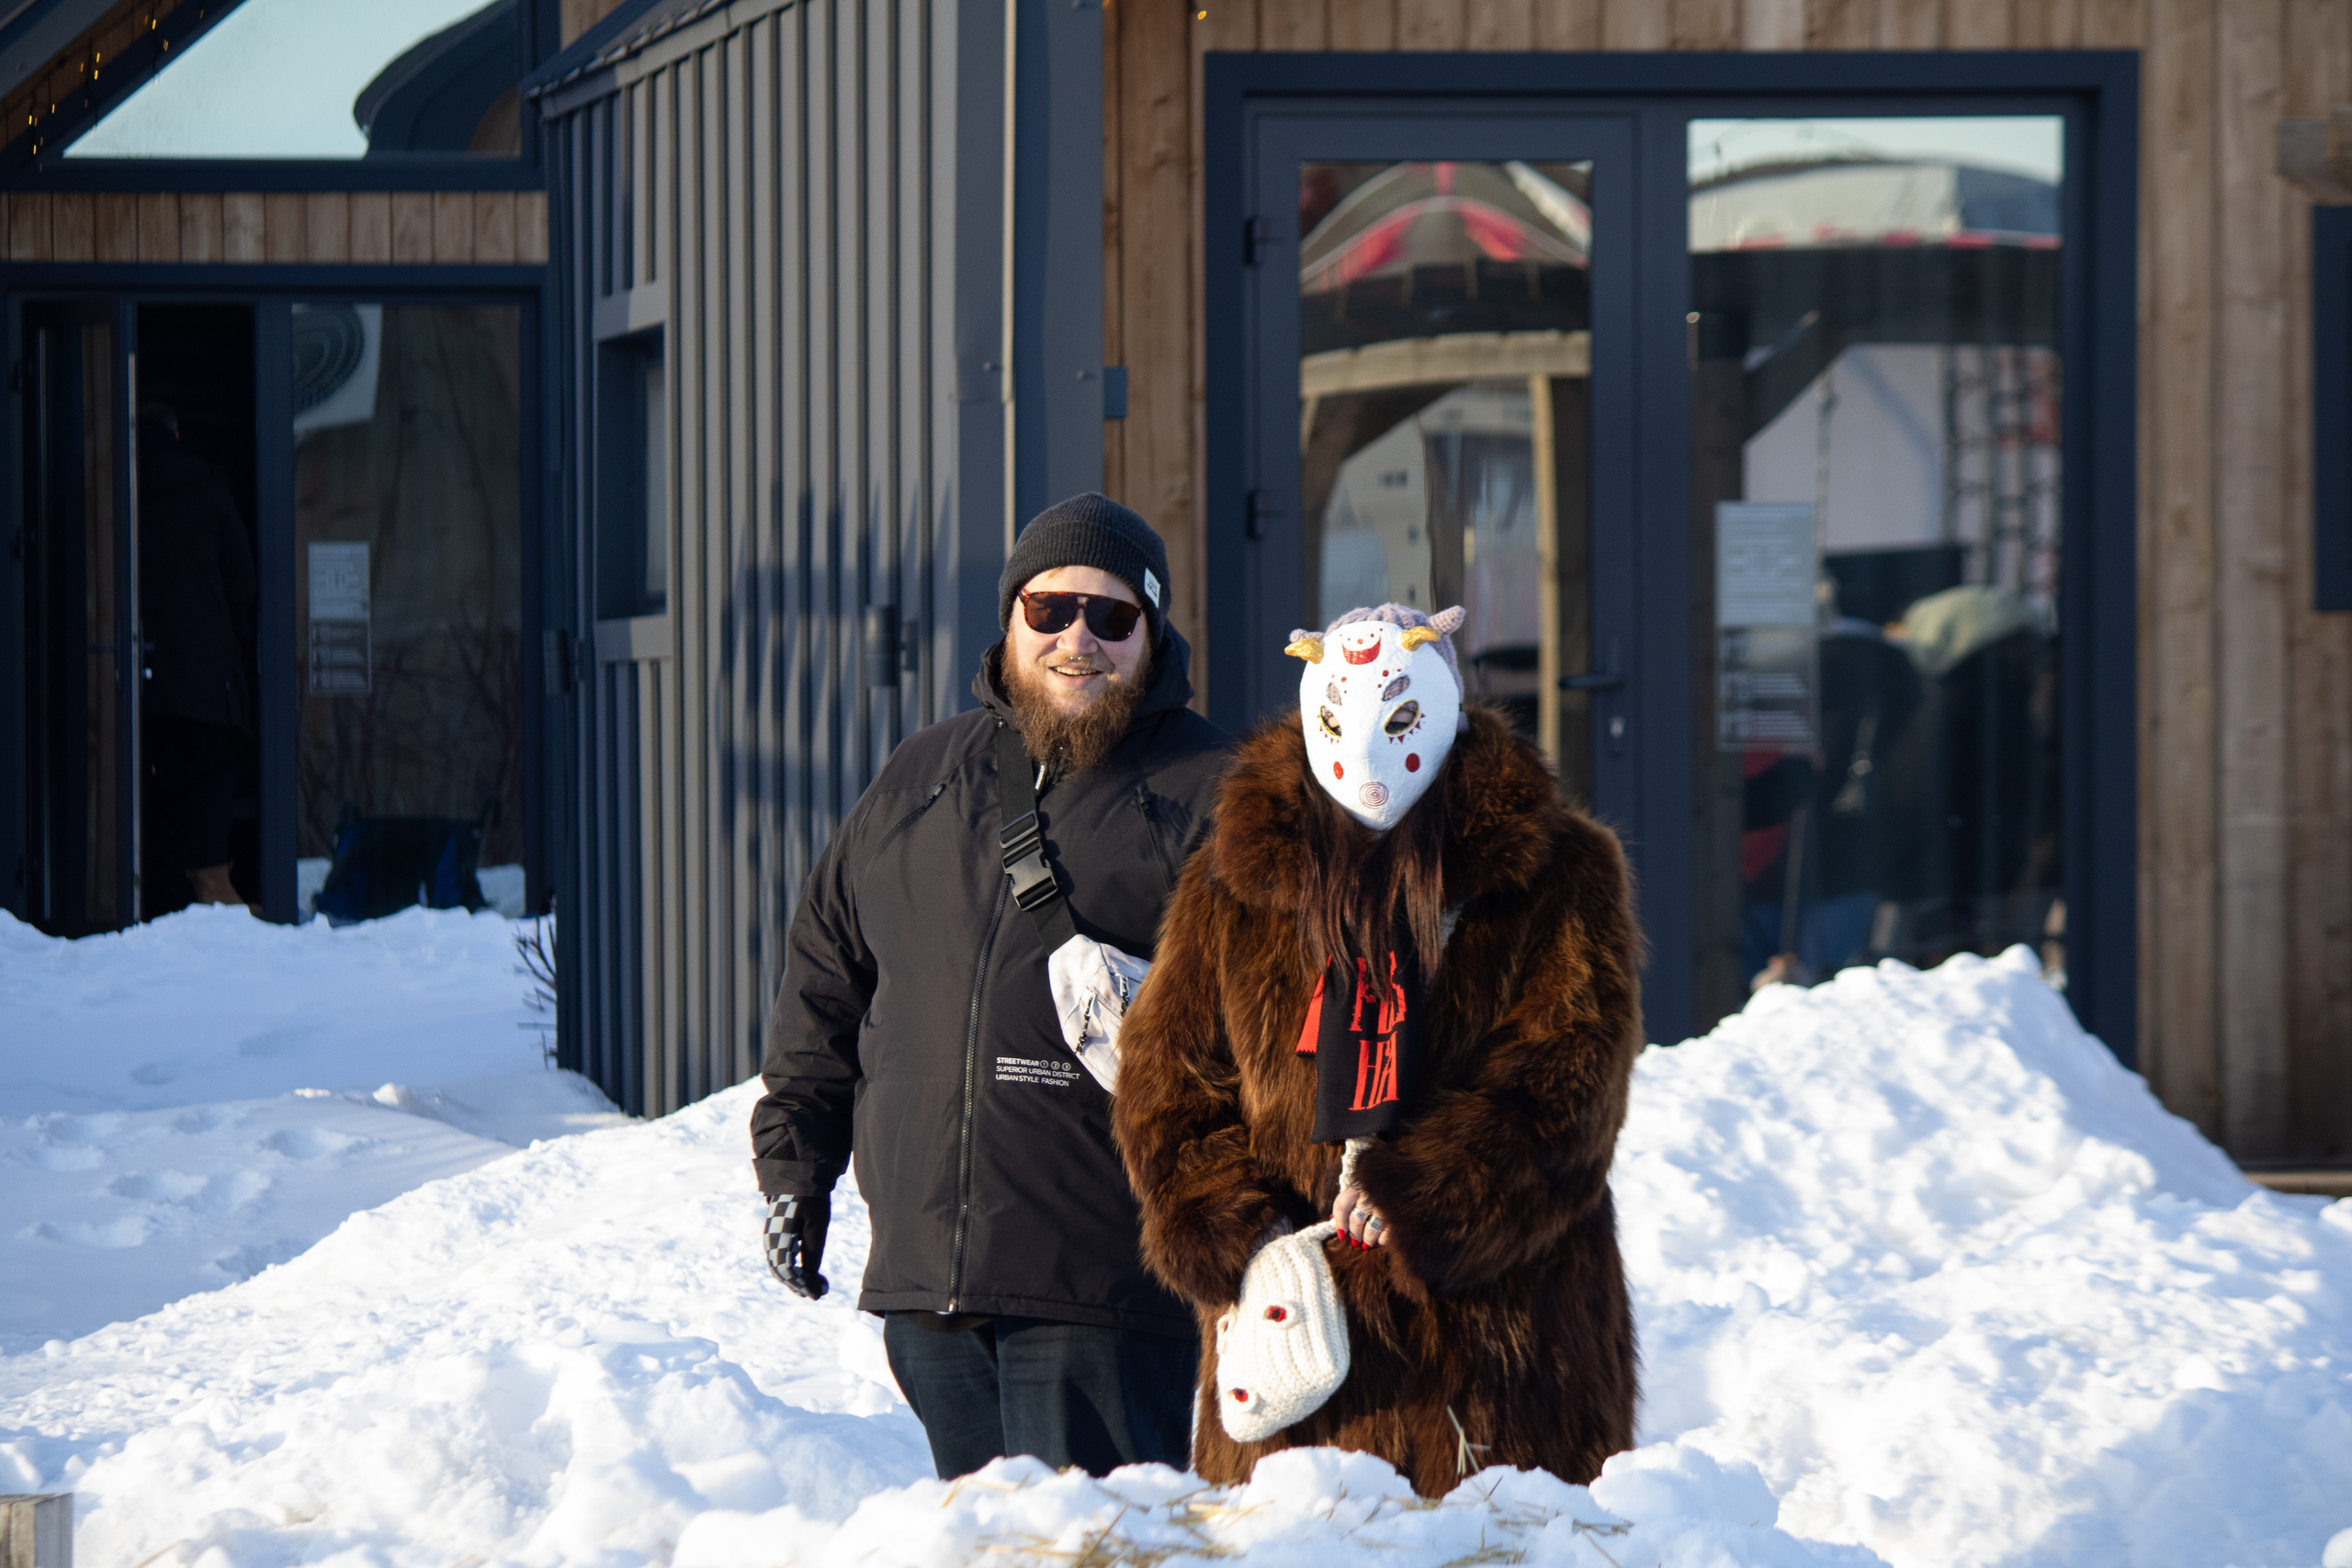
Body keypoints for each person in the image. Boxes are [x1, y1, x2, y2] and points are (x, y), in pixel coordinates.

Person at [1113, 602, 1645, 1496]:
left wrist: (1429, 1195)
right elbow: (1165, 1087)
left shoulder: (1557, 870)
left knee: (1491, 1547)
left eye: (1397, 720)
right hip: (1294, 1357)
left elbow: (1568, 1086)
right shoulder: (1234, 881)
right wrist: (1234, 1222)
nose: (1366, 754)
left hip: (1500, 1364)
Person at [752, 493, 1233, 1480]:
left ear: (1151, 635)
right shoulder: (920, 776)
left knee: (1096, 1544)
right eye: (1050, 608)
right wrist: (796, 1171)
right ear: (1012, 616)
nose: (1077, 641)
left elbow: (1273, 1034)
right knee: (979, 1543)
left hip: (1104, 1287)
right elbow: (828, 978)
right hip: (929, 1287)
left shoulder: (1214, 794)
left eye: (1112, 616)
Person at [137, 400, 256, 908]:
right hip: (205, 676)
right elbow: (242, 584)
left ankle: (163, 892)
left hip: (135, 671)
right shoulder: (208, 491)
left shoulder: (116, 494)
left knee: (154, 786)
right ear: (177, 434)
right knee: (211, 775)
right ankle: (209, 881)